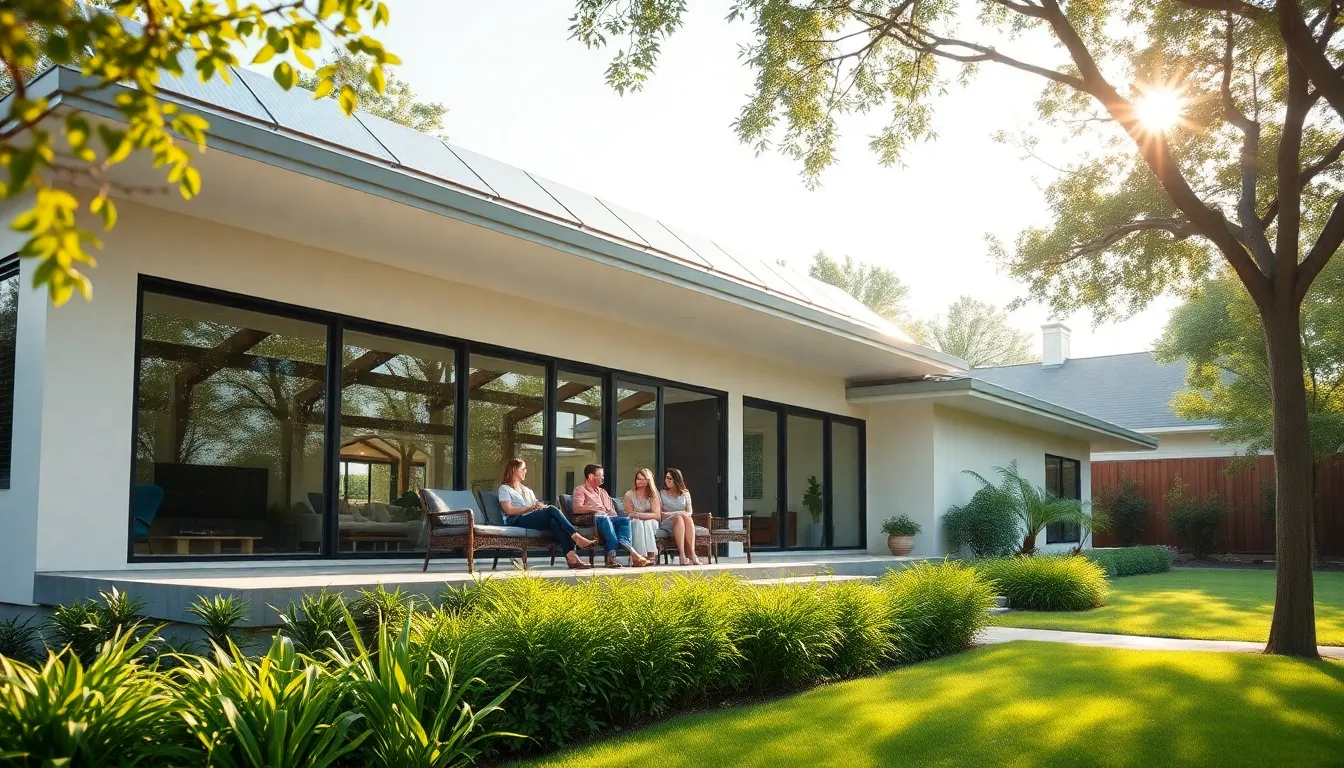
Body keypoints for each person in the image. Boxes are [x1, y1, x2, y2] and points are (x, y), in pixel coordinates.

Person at [497, 458, 595, 570]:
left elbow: (534, 505)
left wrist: (539, 506)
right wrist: (530, 508)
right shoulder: (505, 489)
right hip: (517, 520)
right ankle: (576, 537)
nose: (525, 471)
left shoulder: (527, 490)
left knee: (554, 522)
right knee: (552, 509)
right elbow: (508, 510)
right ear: (514, 470)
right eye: (523, 469)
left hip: (532, 517)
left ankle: (572, 557)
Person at [573, 464, 651, 568]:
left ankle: (629, 550)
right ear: (591, 476)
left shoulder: (603, 492)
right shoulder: (580, 490)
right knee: (604, 518)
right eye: (601, 475)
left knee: (625, 520)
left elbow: (612, 511)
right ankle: (618, 557)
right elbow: (577, 508)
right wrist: (594, 509)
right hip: (593, 519)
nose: (603, 478)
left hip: (607, 518)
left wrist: (610, 512)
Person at [659, 467, 701, 566]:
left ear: (676, 480)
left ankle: (692, 553)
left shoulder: (685, 493)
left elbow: (689, 511)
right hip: (667, 522)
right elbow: (661, 514)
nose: (667, 480)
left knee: (687, 518)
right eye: (666, 478)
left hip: (683, 521)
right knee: (679, 517)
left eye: (670, 478)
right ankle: (682, 555)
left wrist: (681, 514)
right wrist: (677, 513)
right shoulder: (661, 494)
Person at [623, 468, 662, 564]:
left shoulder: (653, 495)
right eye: (637, 479)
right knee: (638, 523)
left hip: (651, 521)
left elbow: (657, 515)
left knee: (648, 523)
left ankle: (651, 553)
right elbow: (630, 513)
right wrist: (639, 516)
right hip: (635, 520)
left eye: (641, 479)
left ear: (648, 481)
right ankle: (640, 555)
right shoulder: (629, 494)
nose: (638, 481)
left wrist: (640, 515)